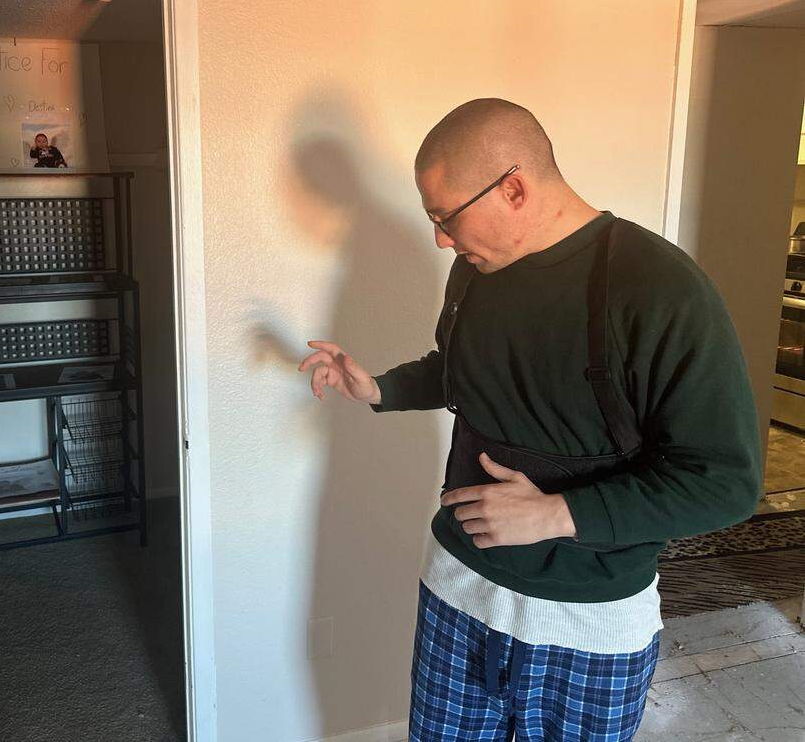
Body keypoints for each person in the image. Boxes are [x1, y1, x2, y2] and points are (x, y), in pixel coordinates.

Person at [298, 98, 761, 741]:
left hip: (589, 624)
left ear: (512, 187)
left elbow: (725, 483)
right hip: (459, 590)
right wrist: (378, 388)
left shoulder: (661, 291)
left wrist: (553, 514)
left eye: (445, 217)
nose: (439, 238)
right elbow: (460, 368)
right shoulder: (472, 272)